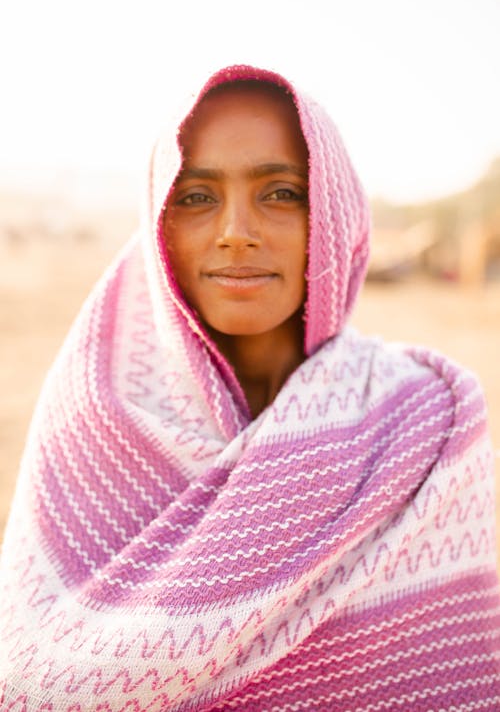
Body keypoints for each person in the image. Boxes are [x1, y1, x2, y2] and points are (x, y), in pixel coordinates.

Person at [1, 64, 499, 711]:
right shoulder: (93, 418)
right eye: (198, 197)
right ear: (160, 228)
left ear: (333, 215)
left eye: (282, 193)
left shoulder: (429, 422)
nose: (236, 230)